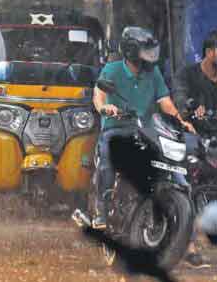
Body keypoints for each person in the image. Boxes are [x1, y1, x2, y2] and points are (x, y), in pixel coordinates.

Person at [92, 26, 195, 229]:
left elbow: (164, 100)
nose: (149, 56)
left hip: (148, 131)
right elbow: (99, 95)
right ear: (130, 51)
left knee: (176, 171)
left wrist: (179, 120)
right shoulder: (112, 69)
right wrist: (105, 108)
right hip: (116, 129)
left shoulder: (153, 72)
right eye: (144, 51)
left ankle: (188, 239)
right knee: (108, 162)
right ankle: (101, 210)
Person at [173, 30, 217, 268]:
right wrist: (190, 107)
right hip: (193, 136)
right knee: (187, 182)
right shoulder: (188, 75)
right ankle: (188, 246)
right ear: (210, 53)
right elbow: (179, 97)